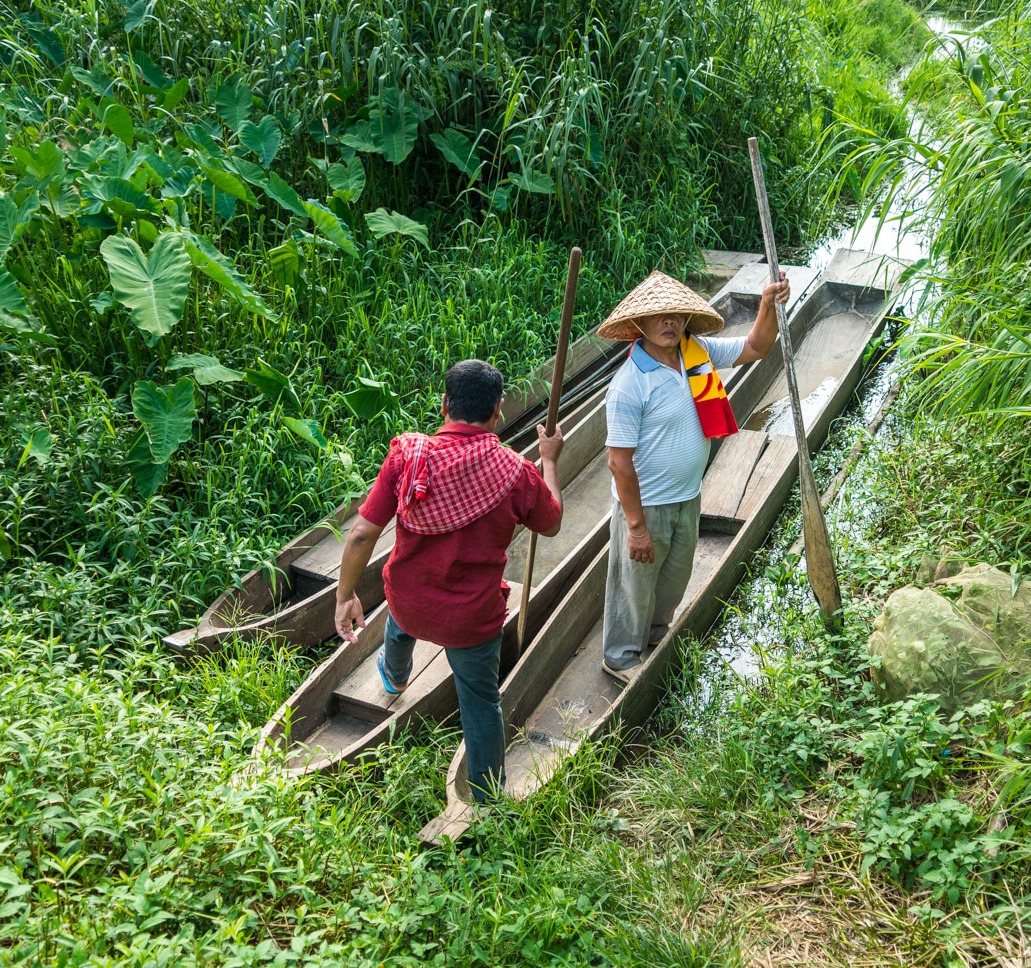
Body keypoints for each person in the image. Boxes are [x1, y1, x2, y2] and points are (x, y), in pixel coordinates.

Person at [333, 359, 563, 801]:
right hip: (470, 622)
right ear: (498, 410)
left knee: (398, 622)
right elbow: (550, 524)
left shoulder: (408, 455)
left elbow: (362, 532)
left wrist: (344, 597)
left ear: (444, 404)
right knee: (480, 704)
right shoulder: (515, 471)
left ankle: (396, 677)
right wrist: (548, 461)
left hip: (408, 602)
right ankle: (486, 799)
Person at [595, 269, 789, 683]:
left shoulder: (694, 352)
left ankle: (653, 636)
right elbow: (618, 462)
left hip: (688, 495)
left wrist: (767, 305)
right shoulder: (629, 384)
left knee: (672, 579)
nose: (670, 323)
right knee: (634, 585)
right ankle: (620, 657)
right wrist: (636, 528)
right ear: (639, 325)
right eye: (660, 316)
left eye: (677, 315)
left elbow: (757, 346)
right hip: (647, 505)